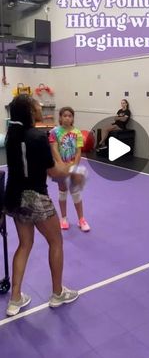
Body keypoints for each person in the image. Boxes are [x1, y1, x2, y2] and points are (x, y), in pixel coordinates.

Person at [4, 95, 79, 317]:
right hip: (35, 197)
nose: (40, 107)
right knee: (56, 242)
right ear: (30, 111)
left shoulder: (12, 136)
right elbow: (55, 172)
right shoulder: (37, 137)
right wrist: (66, 163)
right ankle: (58, 293)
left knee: (24, 245)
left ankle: (15, 300)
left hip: (15, 197)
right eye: (37, 105)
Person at [49, 107, 90, 232]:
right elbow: (54, 148)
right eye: (65, 115)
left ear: (73, 118)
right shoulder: (54, 132)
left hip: (73, 167)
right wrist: (61, 165)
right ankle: (64, 218)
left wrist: (74, 167)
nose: (67, 118)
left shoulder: (77, 132)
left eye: (70, 116)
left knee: (75, 192)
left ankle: (81, 219)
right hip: (60, 167)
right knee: (62, 191)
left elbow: (78, 151)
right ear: (60, 117)